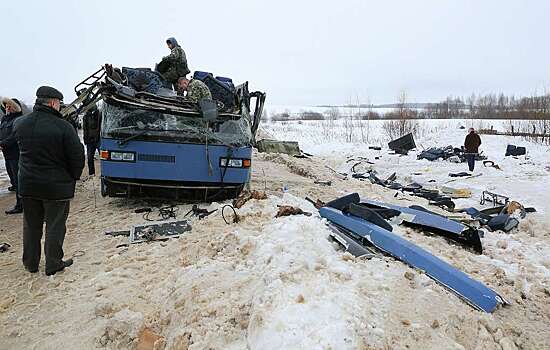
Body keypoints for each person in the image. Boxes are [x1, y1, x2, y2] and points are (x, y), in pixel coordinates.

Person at [14, 86, 85, 275]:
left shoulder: (20, 123)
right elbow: (77, 156)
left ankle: (30, 263)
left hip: (28, 185)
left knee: (31, 225)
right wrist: (73, 177)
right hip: (56, 187)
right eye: (59, 103)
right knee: (55, 225)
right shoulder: (63, 126)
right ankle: (53, 263)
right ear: (53, 102)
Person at [0, 97, 23, 213]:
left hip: (16, 154)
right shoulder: (4, 119)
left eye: (10, 106)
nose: (7, 108)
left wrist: (2, 143)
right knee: (13, 179)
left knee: (19, 180)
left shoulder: (19, 120)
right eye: (6, 106)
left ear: (15, 108)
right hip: (7, 154)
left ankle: (20, 205)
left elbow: (14, 136)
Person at [82, 104, 101, 175]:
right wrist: (85, 139)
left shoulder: (99, 114)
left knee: (103, 158)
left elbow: (99, 127)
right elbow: (85, 129)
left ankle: (104, 174)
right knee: (89, 158)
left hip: (98, 139)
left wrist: (98, 137)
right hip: (89, 140)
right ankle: (91, 174)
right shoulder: (86, 116)